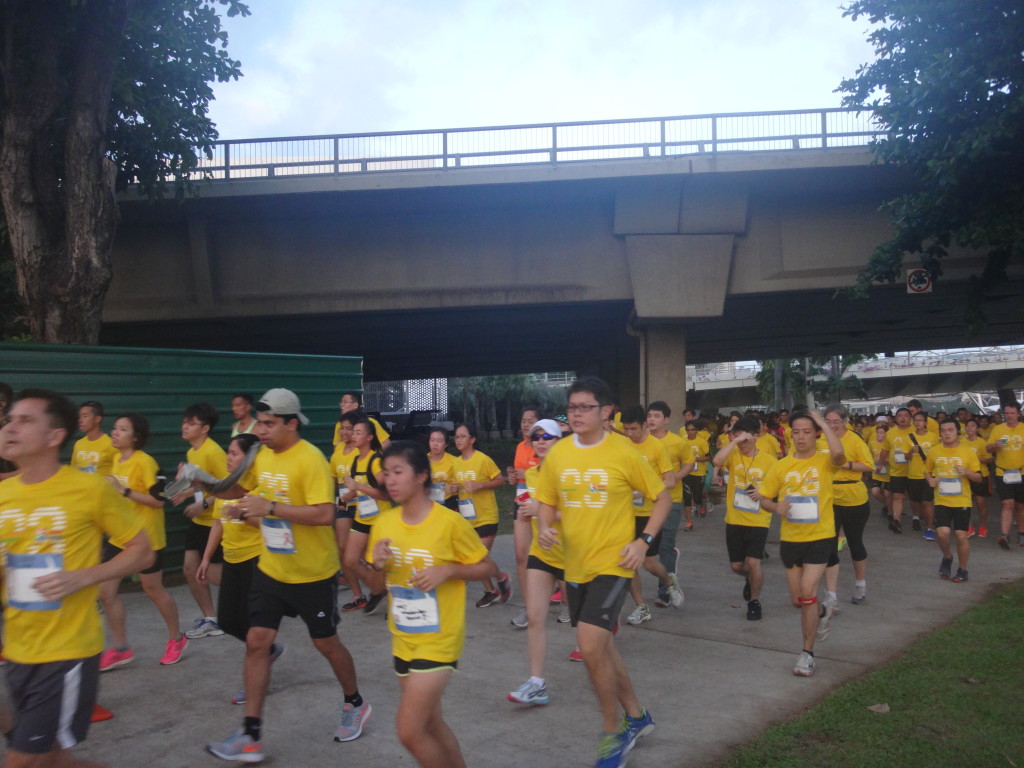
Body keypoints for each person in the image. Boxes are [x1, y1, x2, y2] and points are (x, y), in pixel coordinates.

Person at [207, 388, 371, 762]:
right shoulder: (262, 454)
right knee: (257, 641)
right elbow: (245, 490)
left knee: (326, 643)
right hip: (271, 568)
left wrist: (271, 507)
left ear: (291, 423)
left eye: (269, 424)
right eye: (259, 423)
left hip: (312, 573)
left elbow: (324, 513)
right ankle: (250, 735)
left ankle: (355, 702)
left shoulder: (310, 459)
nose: (261, 430)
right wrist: (209, 488)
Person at [0, 389, 153, 768]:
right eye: (9, 420)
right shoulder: (3, 494)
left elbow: (142, 550)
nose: (10, 428)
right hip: (18, 650)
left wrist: (83, 577)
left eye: (25, 420)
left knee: (23, 761)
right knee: (53, 761)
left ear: (55, 436)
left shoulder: (89, 489)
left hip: (66, 653)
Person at [535, 376, 669, 768]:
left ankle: (613, 733)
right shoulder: (559, 453)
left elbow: (661, 497)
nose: (576, 414)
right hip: (574, 566)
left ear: (606, 411)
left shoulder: (623, 452)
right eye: (571, 407)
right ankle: (637, 716)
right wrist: (544, 526)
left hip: (614, 565)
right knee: (604, 648)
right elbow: (546, 499)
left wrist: (643, 541)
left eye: (585, 407)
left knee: (590, 646)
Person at [368, 442, 498, 768]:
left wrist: (449, 570)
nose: (390, 480)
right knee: (431, 722)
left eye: (398, 472)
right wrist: (377, 564)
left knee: (409, 731)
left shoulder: (448, 522)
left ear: (421, 475)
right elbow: (376, 586)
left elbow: (488, 568)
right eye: (386, 473)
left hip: (439, 638)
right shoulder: (384, 524)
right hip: (403, 637)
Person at [198, 433, 286, 705]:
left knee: (252, 626)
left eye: (234, 453)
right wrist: (206, 558)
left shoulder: (258, 488)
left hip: (255, 559)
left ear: (248, 459)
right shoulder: (226, 487)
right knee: (227, 621)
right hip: (231, 560)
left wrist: (244, 515)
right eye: (228, 451)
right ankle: (269, 650)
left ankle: (255, 682)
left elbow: (269, 525)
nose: (228, 457)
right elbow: (218, 523)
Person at [757, 409, 845, 678]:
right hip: (791, 540)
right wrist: (776, 507)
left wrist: (822, 423)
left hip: (820, 537)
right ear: (790, 435)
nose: (802, 437)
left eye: (807, 431)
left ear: (816, 434)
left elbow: (839, 454)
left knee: (808, 590)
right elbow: (763, 499)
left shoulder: (825, 460)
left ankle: (807, 653)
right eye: (796, 432)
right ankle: (822, 610)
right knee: (800, 600)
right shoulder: (780, 466)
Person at [98, 412, 188, 670]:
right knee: (106, 593)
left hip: (147, 539)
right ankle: (121, 649)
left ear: (135, 437)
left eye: (122, 429)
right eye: (115, 428)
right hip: (121, 537)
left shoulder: (145, 462)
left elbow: (159, 501)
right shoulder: (116, 460)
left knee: (153, 590)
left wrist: (124, 490)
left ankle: (176, 638)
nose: (115, 432)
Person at [508, 419, 569, 706]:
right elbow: (526, 510)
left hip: (573, 554)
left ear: (559, 441)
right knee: (535, 616)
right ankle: (536, 683)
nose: (541, 441)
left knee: (584, 622)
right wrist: (527, 512)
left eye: (547, 436)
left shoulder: (570, 473)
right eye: (536, 437)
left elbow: (579, 512)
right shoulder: (531, 475)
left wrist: (543, 511)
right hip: (542, 553)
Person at [619, 406, 683, 625]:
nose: (629, 434)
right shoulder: (622, 445)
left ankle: (668, 580)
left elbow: (670, 481)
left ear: (644, 425)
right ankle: (641, 607)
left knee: (648, 563)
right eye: (626, 429)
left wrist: (644, 490)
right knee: (626, 562)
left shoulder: (657, 447)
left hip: (649, 513)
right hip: (625, 513)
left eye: (634, 429)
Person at [712, 416, 777, 620]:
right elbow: (717, 462)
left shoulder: (769, 461)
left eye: (746, 439)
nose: (743, 444)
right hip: (734, 519)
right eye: (738, 438)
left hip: (758, 520)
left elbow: (777, 488)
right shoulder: (733, 454)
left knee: (754, 561)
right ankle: (751, 579)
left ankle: (754, 602)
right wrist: (734, 441)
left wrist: (763, 492)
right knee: (737, 566)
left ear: (756, 437)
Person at [178, 402, 228, 640]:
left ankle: (259, 595)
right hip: (199, 521)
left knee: (215, 576)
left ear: (205, 428)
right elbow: (203, 485)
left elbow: (228, 488)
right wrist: (185, 493)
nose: (185, 427)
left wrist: (204, 504)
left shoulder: (213, 452)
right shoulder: (192, 452)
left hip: (215, 522)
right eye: (184, 422)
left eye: (191, 423)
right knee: (190, 569)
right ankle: (211, 619)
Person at [450, 424, 512, 608]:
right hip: (468, 518)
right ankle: (491, 590)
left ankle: (500, 579)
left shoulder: (483, 459)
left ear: (472, 439)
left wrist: (480, 485)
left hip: (486, 516)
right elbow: (457, 484)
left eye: (462, 436)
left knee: (478, 557)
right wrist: (453, 488)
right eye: (456, 437)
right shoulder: (456, 462)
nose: (458, 440)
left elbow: (500, 481)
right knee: (475, 558)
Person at [820, 405, 875, 606]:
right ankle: (831, 594)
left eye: (836, 421)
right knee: (828, 545)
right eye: (828, 421)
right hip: (828, 497)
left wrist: (846, 464)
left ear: (844, 421)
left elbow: (869, 465)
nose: (832, 425)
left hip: (853, 497)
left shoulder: (854, 439)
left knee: (855, 542)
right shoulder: (819, 440)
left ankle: (860, 584)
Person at [339, 416, 390, 614]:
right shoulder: (355, 461)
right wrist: (346, 497)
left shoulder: (375, 461)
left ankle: (387, 594)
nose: (353, 435)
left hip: (380, 519)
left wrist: (358, 486)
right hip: (362, 517)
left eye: (358, 432)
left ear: (369, 437)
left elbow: (385, 494)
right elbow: (359, 489)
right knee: (350, 560)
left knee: (380, 562)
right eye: (353, 432)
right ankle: (379, 590)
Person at [646, 401, 693, 605]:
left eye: (656, 416)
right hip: (646, 502)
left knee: (665, 545)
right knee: (649, 547)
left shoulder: (677, 442)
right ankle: (670, 560)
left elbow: (690, 462)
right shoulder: (642, 441)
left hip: (671, 500)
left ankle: (664, 591)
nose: (651, 420)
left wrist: (676, 478)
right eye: (649, 416)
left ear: (666, 419)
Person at [925, 419, 981, 583]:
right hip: (942, 499)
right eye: (943, 430)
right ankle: (947, 556)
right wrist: (930, 480)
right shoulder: (934, 451)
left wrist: (967, 472)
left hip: (962, 500)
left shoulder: (967, 452)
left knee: (960, 535)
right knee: (942, 533)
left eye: (950, 430)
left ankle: (962, 569)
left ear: (958, 432)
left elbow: (978, 477)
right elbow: (927, 471)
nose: (947, 433)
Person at [507, 406, 542, 629]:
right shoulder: (520, 447)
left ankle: (565, 600)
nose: (526, 424)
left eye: (530, 420)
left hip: (541, 503)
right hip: (522, 501)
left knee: (548, 555)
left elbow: (548, 472)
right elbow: (519, 477)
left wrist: (527, 475)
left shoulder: (544, 446)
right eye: (523, 420)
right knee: (521, 556)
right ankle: (529, 608)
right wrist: (513, 478)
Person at [330, 411, 362, 598]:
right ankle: (355, 589)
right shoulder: (337, 452)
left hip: (362, 505)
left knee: (364, 551)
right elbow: (333, 480)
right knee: (342, 546)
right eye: (342, 428)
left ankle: (376, 582)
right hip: (343, 505)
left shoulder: (361, 451)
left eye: (349, 429)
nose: (344, 432)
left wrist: (351, 494)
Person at [988, 403, 1024, 549]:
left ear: (1018, 414)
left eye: (1012, 413)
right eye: (1007, 413)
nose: (1009, 416)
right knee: (1007, 504)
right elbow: (988, 448)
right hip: (1002, 472)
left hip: (1021, 472)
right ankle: (1005, 535)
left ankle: (1021, 533)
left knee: (1020, 505)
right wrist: (995, 445)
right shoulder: (998, 429)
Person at [878, 407, 914, 533]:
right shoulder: (890, 433)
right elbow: (885, 450)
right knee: (897, 496)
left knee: (917, 499)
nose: (903, 418)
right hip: (896, 471)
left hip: (914, 471)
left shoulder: (916, 431)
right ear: (896, 418)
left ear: (910, 418)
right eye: (900, 415)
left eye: (906, 415)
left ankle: (918, 517)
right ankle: (896, 520)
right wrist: (880, 464)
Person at [906, 410, 939, 539]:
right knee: (915, 500)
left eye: (920, 420)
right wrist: (911, 451)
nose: (918, 423)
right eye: (915, 420)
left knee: (927, 501)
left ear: (925, 422)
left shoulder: (933, 437)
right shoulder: (909, 437)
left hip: (928, 474)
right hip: (913, 474)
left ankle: (930, 528)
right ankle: (917, 517)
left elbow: (937, 454)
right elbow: (906, 457)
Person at [962, 417, 992, 537]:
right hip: (965, 475)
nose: (970, 428)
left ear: (977, 429)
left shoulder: (981, 442)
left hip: (980, 475)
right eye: (967, 426)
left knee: (980, 503)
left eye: (973, 426)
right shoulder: (961, 442)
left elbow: (990, 460)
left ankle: (983, 525)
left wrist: (978, 458)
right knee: (966, 503)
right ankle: (969, 527)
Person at [70, 400, 118, 476]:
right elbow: (73, 471)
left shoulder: (111, 445)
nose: (80, 420)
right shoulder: (78, 444)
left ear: (97, 419)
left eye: (85, 416)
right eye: (79, 417)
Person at [679, 420, 710, 529]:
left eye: (693, 430)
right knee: (687, 497)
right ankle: (689, 521)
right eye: (688, 430)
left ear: (696, 430)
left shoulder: (702, 442)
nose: (690, 432)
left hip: (699, 472)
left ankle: (701, 504)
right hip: (686, 472)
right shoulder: (682, 441)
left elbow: (708, 457)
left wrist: (695, 459)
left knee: (697, 497)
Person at [426, 427, 459, 512]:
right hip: (427, 504)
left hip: (449, 504)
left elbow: (463, 485)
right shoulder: (422, 461)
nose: (435, 444)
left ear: (446, 444)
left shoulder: (455, 461)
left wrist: (454, 488)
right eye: (432, 440)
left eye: (439, 441)